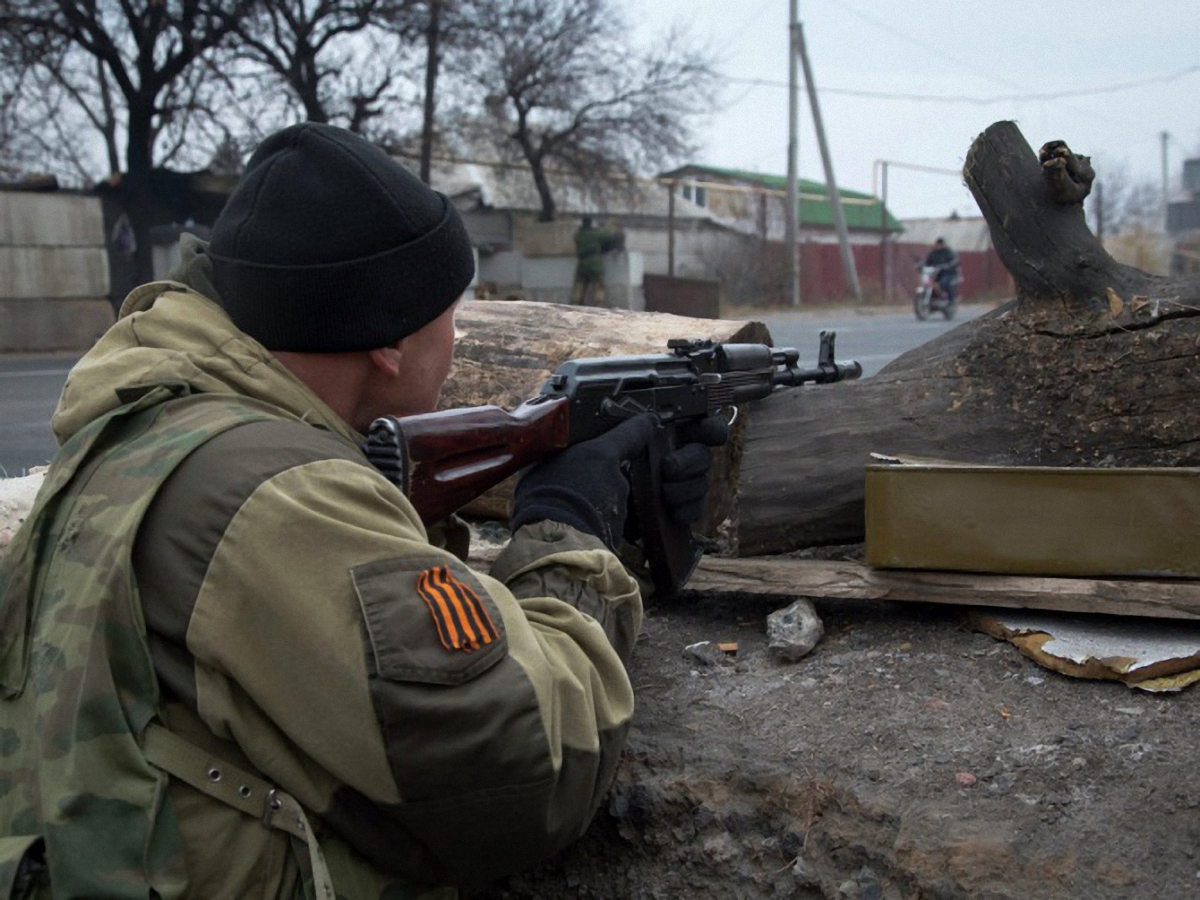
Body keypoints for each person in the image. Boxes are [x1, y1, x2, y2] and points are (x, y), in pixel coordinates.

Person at [0, 123, 723, 897]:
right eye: (453, 309)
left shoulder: (152, 424)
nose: (458, 333)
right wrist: (573, 532)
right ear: (387, 343)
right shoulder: (279, 500)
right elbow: (527, 773)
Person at [572, 216, 623, 306]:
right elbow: (608, 234)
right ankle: (598, 304)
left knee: (579, 286)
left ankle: (574, 303)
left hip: (582, 264)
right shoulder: (595, 233)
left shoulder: (578, 234)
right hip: (595, 264)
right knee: (599, 286)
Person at [923, 237, 962, 302]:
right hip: (936, 272)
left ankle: (948, 299)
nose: (938, 246)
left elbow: (954, 261)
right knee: (930, 281)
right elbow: (927, 262)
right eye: (937, 244)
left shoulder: (948, 252)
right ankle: (933, 298)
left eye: (940, 244)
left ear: (943, 245)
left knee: (943, 283)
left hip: (947, 272)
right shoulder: (933, 253)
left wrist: (948, 265)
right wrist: (922, 266)